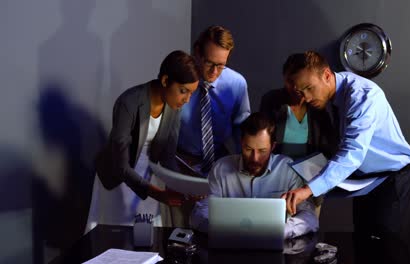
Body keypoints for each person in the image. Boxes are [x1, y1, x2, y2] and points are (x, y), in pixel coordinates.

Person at [280, 51, 410, 235]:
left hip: (391, 178)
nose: (307, 98)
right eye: (300, 91)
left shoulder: (363, 97)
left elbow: (352, 152)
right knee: (362, 239)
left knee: (385, 246)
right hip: (364, 180)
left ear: (327, 75)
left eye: (309, 88)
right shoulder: (327, 97)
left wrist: (308, 189)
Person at [87, 50, 199, 230]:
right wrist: (158, 194)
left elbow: (168, 156)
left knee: (147, 240)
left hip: (148, 175)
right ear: (165, 81)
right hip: (119, 177)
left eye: (191, 93)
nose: (187, 99)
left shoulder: (174, 104)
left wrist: (184, 187)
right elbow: (121, 165)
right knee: (115, 239)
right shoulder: (129, 102)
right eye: (183, 91)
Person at [191, 112, 318, 239]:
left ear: (273, 146)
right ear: (241, 143)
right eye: (248, 149)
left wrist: (282, 230)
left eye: (262, 151)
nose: (255, 158)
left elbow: (310, 218)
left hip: (275, 246)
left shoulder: (288, 170)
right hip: (230, 244)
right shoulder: (221, 168)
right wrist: (222, 230)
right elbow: (199, 214)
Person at [260, 58, 339, 217]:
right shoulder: (272, 100)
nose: (295, 87)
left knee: (307, 226)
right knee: (274, 225)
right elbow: (262, 138)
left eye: (299, 82)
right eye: (290, 81)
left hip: (310, 179)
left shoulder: (317, 104)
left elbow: (329, 147)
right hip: (278, 178)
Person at [177, 25, 250, 176]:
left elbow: (241, 130)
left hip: (220, 166)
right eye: (209, 63)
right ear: (197, 52)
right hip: (181, 163)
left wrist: (243, 167)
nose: (214, 72)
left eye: (221, 65)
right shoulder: (179, 81)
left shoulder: (236, 84)